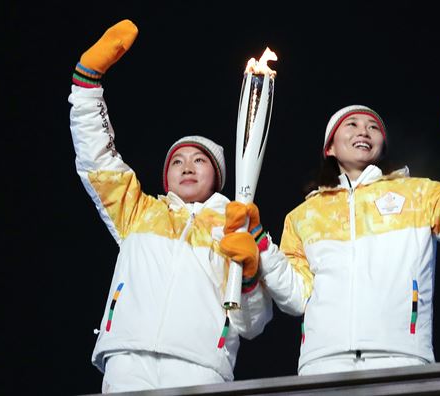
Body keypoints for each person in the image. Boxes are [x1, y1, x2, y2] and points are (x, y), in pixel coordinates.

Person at [220, 90, 440, 375]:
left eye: (373, 127)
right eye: (351, 125)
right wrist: (258, 240)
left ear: (382, 145)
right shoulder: (304, 217)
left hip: (401, 356)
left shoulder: (418, 194)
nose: (363, 131)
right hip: (323, 363)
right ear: (330, 148)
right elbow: (296, 296)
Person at [68, 19, 272, 393]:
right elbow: (98, 160)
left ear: (217, 175)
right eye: (178, 161)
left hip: (200, 366)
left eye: (200, 160)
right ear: (167, 177)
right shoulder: (140, 212)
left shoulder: (234, 225)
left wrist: (248, 278)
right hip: (127, 360)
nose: (187, 166)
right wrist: (86, 85)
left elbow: (253, 324)